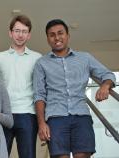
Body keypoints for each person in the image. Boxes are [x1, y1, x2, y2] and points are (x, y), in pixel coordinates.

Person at [33, 19, 116, 158]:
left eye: (60, 33)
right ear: (48, 39)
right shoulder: (41, 63)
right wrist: (41, 124)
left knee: (83, 155)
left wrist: (105, 86)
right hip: (55, 118)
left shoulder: (85, 58)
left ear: (68, 35)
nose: (57, 37)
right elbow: (39, 95)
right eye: (52, 34)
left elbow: (107, 74)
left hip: (81, 116)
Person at [0, 15, 42, 158]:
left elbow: (41, 89)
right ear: (10, 33)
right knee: (0, 155)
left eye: (24, 31)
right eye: (17, 30)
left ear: (29, 35)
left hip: (28, 114)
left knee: (28, 155)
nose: (20, 35)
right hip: (3, 114)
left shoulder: (37, 58)